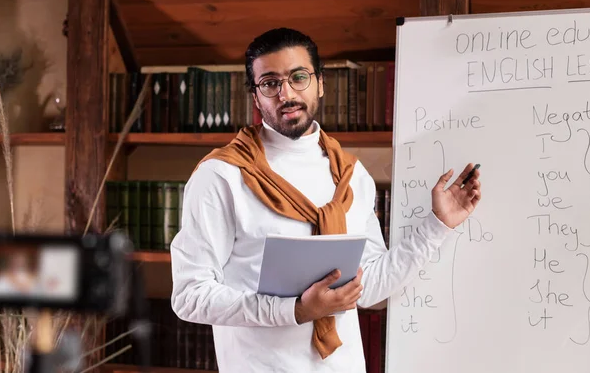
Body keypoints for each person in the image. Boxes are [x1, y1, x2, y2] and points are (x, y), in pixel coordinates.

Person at [170, 27, 482, 373]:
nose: (285, 93)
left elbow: (371, 288)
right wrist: (295, 310)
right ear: (256, 97)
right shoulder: (222, 175)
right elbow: (190, 296)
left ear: (320, 83)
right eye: (270, 83)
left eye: (297, 77)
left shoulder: (351, 176)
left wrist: (437, 226)